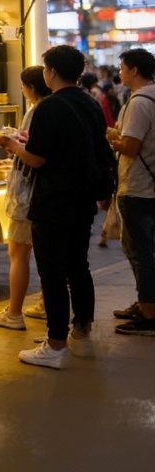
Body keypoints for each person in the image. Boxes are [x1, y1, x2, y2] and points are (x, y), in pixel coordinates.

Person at [0, 45, 110, 369]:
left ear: (52, 72)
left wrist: (13, 145)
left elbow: (38, 159)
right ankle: (80, 333)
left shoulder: (49, 108)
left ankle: (55, 344)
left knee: (53, 274)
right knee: (78, 268)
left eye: (45, 69)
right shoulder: (91, 103)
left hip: (53, 201)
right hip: (83, 200)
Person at [0, 65, 51, 331]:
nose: (22, 90)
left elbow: (32, 154)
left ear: (31, 88)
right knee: (47, 254)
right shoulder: (55, 108)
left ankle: (13, 313)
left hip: (28, 195)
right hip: (45, 195)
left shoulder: (38, 110)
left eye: (23, 85)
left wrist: (10, 144)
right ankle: (46, 304)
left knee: (18, 253)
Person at [106, 48, 155, 336]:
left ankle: (148, 313)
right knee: (143, 249)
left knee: (140, 252)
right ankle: (145, 302)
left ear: (135, 70)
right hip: (150, 186)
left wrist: (113, 139)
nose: (120, 72)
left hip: (138, 187)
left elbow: (131, 147)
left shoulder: (139, 102)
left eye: (123, 67)